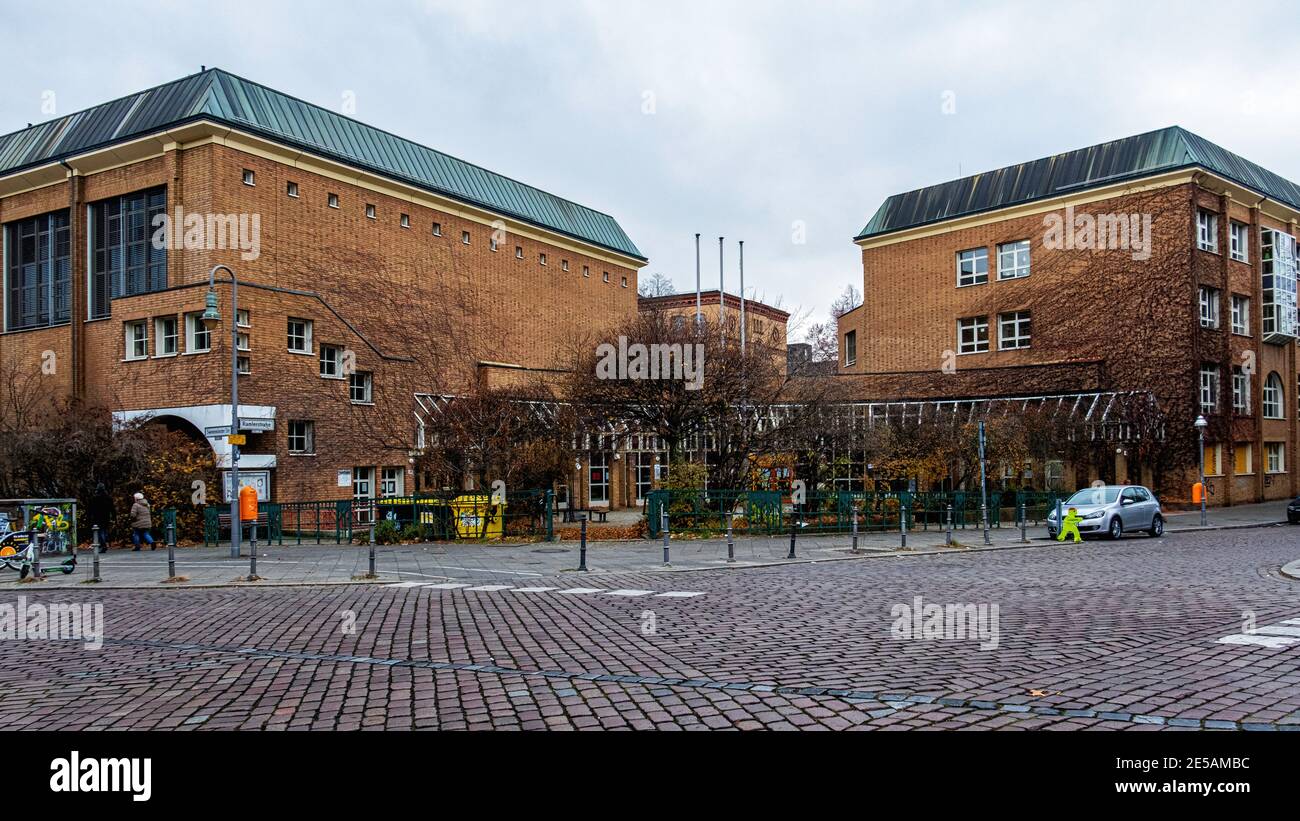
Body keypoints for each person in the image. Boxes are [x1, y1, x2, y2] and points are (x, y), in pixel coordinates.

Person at [88, 482, 114, 553]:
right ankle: (105, 543)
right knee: (104, 531)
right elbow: (112, 508)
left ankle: (103, 545)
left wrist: (90, 516)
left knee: (100, 532)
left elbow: (91, 509)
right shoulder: (108, 498)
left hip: (97, 517)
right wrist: (114, 517)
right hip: (106, 517)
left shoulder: (95, 498)